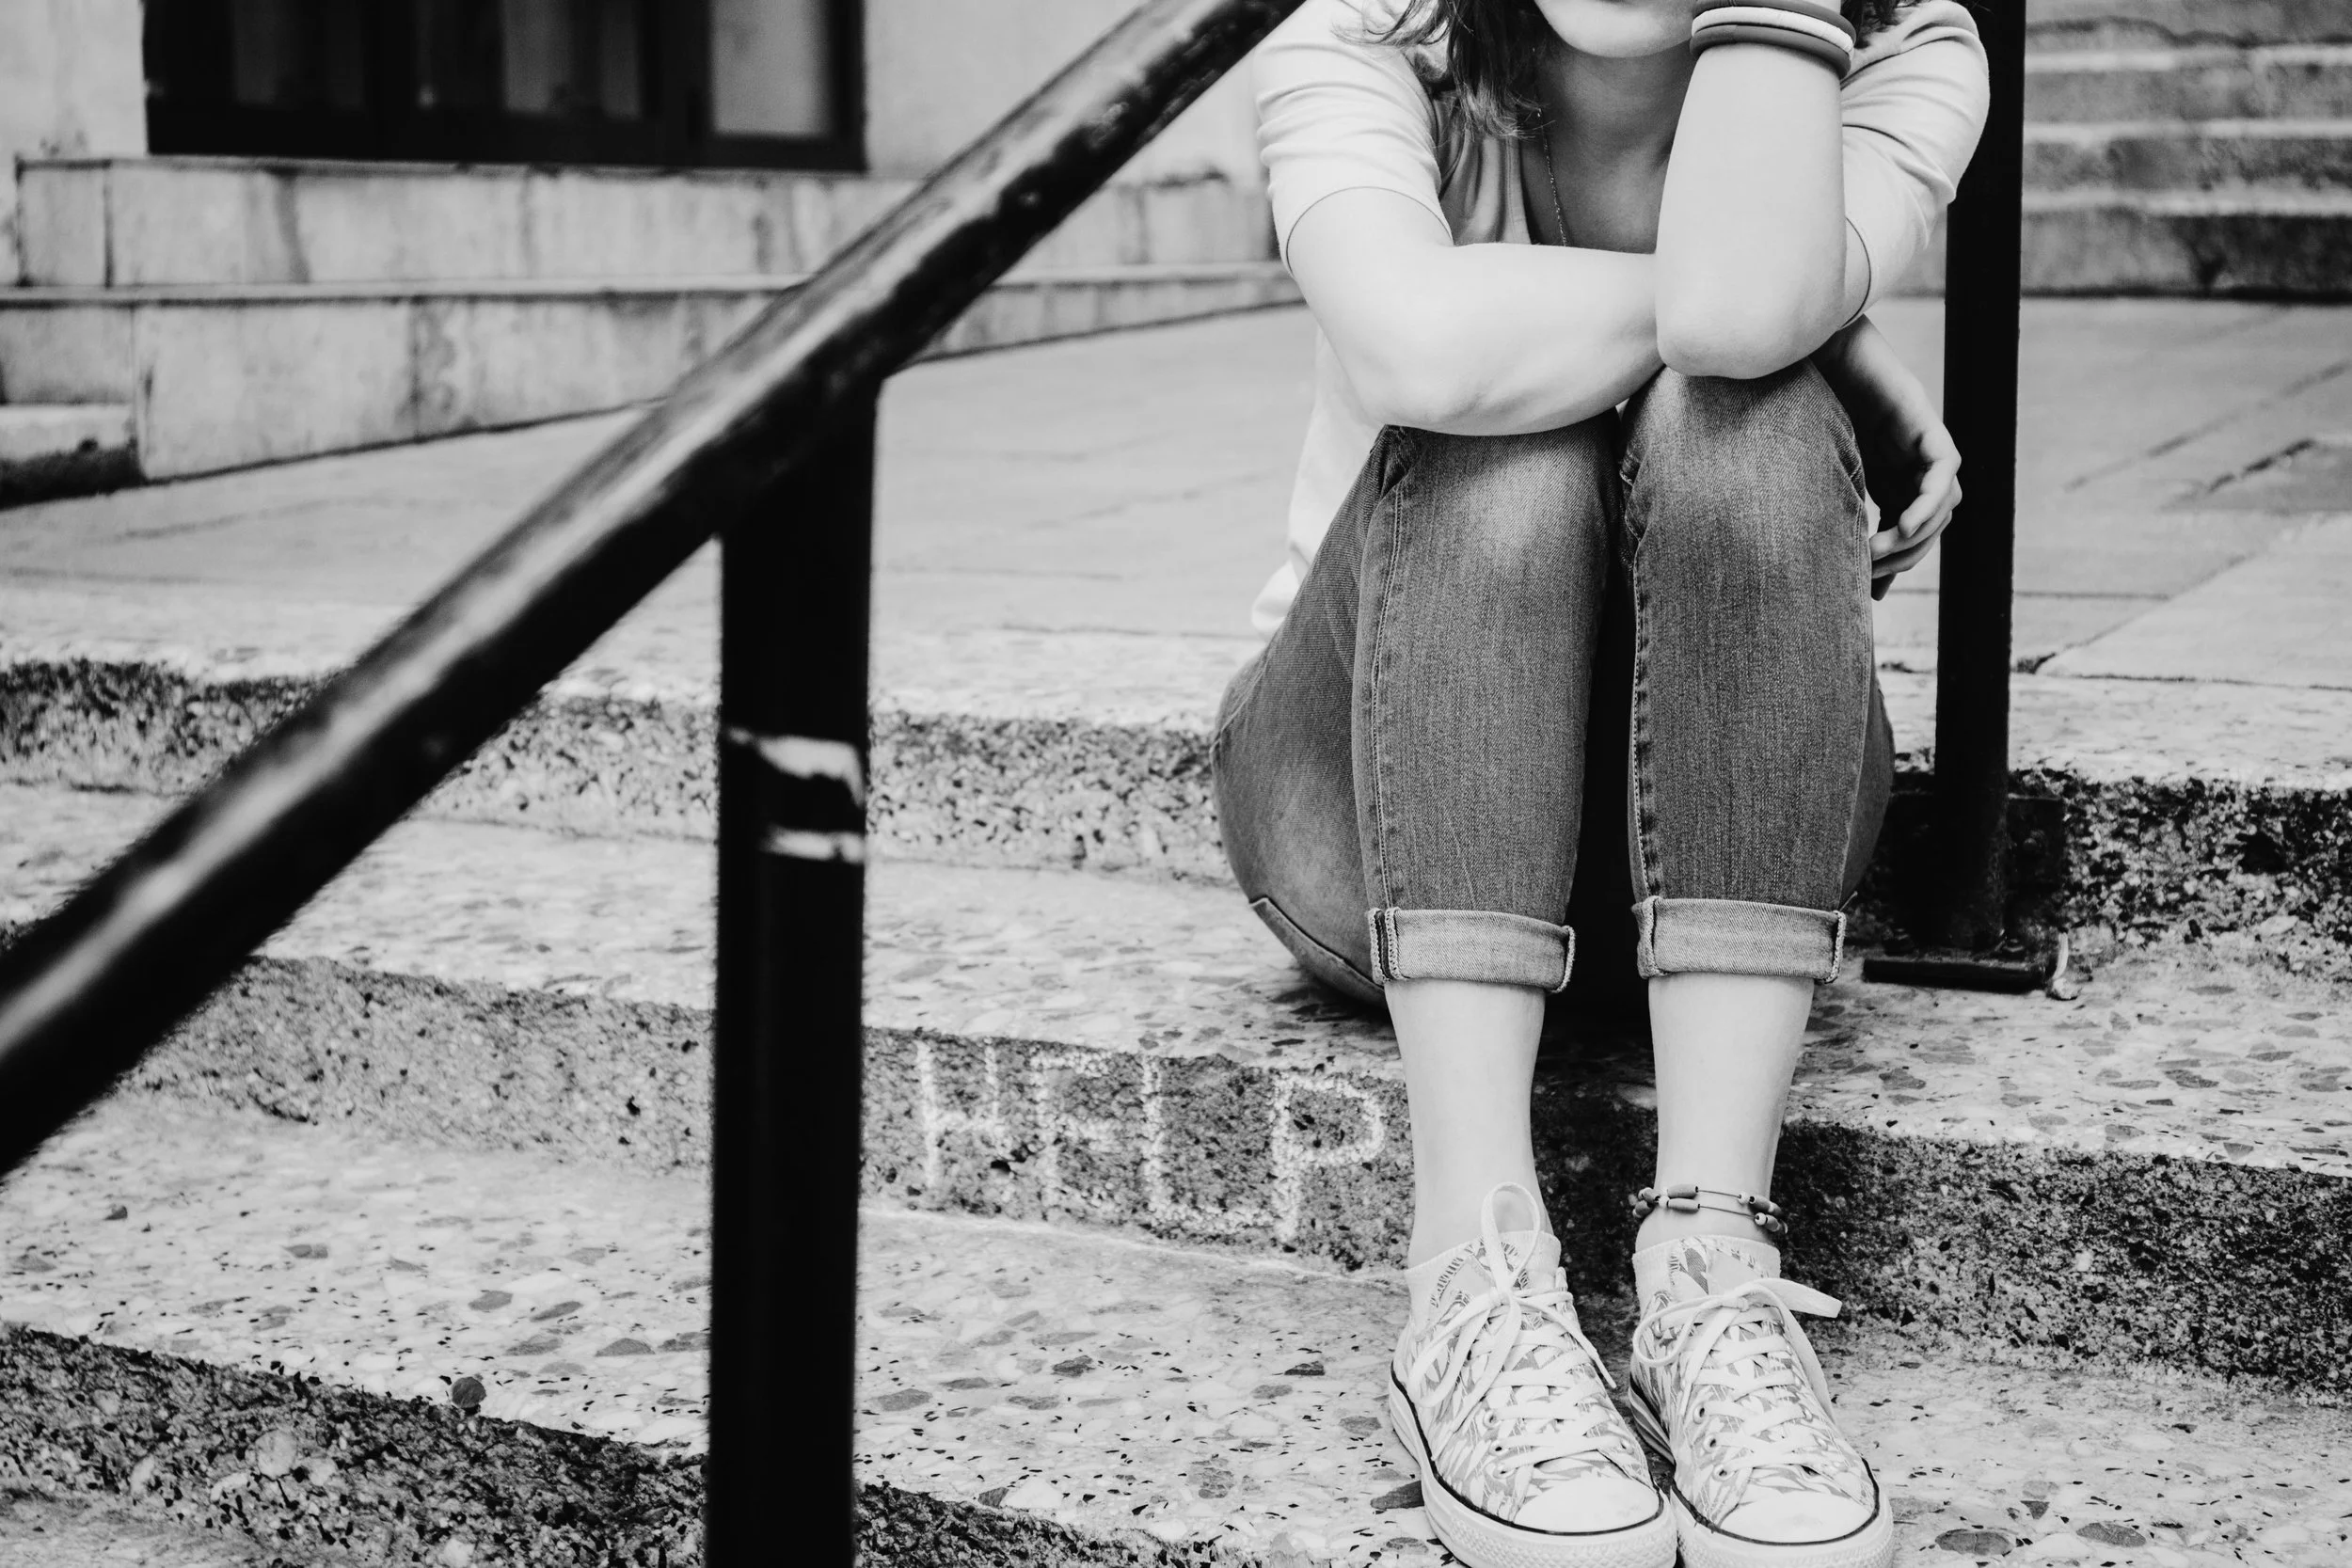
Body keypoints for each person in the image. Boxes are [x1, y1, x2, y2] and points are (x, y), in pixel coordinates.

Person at [1212, 2, 1990, 1565]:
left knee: (1744, 412)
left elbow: (1729, 336)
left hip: (1702, 828)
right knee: (1512, 418)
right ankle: (1472, 1271)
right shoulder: (1376, 26)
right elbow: (1419, 342)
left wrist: (1772, 333)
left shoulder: (1904, 47)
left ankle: (1711, 1269)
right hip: (1360, 809)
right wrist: (1807, 323)